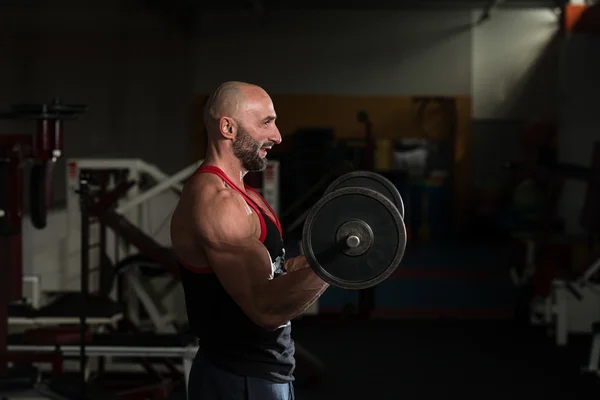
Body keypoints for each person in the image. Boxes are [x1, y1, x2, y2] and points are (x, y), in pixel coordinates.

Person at [170, 81, 330, 399]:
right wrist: (338, 262)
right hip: (238, 377)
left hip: (264, 371)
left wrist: (329, 253)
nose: (278, 136)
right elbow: (264, 308)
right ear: (228, 127)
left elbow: (277, 269)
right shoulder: (216, 200)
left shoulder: (248, 196)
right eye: (266, 123)